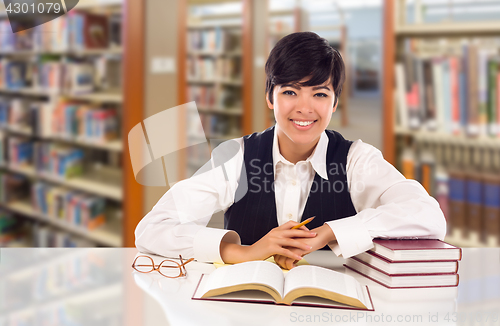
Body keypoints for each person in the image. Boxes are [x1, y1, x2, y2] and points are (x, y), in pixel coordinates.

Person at [135, 32, 446, 270]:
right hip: (244, 307)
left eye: (320, 94)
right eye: (290, 92)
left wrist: (329, 233)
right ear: (270, 97)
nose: (304, 108)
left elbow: (429, 216)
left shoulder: (356, 160)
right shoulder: (237, 157)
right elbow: (152, 228)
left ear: (334, 104)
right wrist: (241, 251)